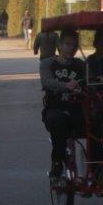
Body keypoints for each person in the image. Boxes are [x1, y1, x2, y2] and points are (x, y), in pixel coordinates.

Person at [40, 29, 88, 179]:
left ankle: (98, 166)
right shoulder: (48, 64)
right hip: (56, 107)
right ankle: (57, 162)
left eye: (74, 46)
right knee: (57, 122)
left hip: (77, 109)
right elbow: (46, 81)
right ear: (59, 45)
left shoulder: (80, 65)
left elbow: (89, 81)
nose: (71, 49)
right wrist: (65, 86)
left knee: (96, 124)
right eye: (68, 44)